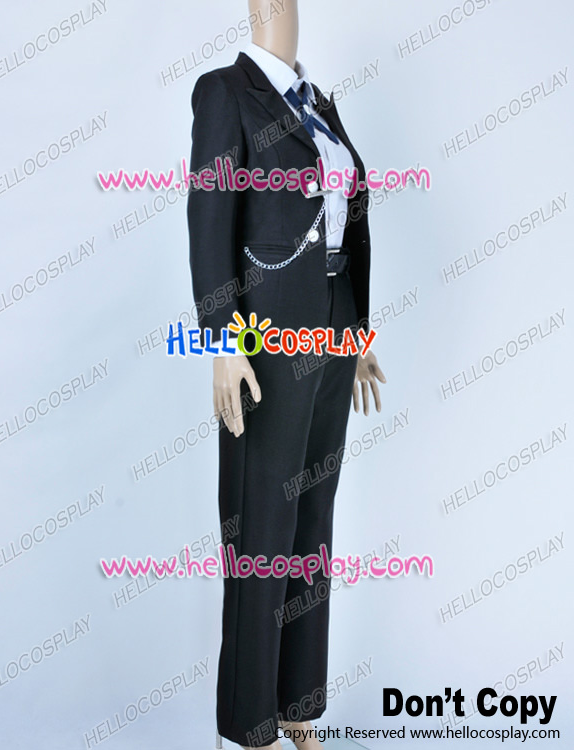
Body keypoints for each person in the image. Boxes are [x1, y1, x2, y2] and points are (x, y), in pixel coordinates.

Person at [187, 2, 386, 747]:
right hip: (265, 336)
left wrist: (357, 332)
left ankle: (298, 704)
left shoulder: (319, 104)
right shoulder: (226, 92)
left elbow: (347, 215)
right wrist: (221, 339)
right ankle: (251, 723)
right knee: (261, 524)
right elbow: (210, 217)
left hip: (334, 326)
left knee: (311, 521)